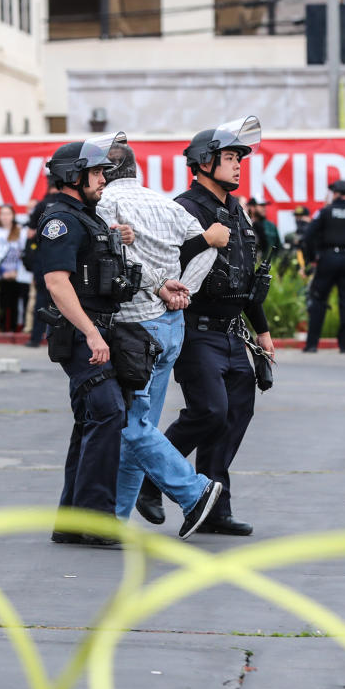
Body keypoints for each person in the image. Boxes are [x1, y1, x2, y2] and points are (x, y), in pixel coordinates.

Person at [95, 140, 227, 539]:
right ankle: (115, 520)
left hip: (136, 327)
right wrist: (185, 288)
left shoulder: (106, 206)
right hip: (173, 326)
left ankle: (194, 492)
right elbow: (211, 245)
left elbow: (123, 258)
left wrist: (160, 288)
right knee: (144, 426)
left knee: (131, 425)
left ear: (107, 170)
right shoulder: (169, 205)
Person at [162, 116, 274, 536]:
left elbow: (244, 276)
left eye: (239, 158)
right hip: (194, 328)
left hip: (232, 331)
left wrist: (261, 330)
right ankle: (157, 473)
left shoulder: (235, 210)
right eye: (230, 157)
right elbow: (164, 264)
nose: (238, 165)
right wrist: (202, 240)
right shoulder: (182, 208)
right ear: (204, 162)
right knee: (210, 411)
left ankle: (213, 509)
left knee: (232, 417)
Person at [37, 132, 134, 545]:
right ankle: (97, 521)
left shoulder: (85, 216)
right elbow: (57, 282)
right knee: (109, 413)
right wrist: (92, 333)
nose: (102, 179)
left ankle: (71, 521)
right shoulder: (60, 219)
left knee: (92, 420)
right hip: (81, 334)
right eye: (95, 172)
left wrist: (117, 238)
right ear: (72, 175)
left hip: (96, 329)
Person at [301, 179, 345, 353]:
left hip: (329, 258)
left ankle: (312, 344)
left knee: (319, 300)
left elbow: (308, 236)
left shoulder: (325, 212)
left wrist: (311, 258)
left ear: (335, 193)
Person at [25, 178, 59, 347]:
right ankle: (62, 339)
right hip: (62, 257)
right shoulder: (65, 205)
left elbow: (30, 234)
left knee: (40, 299)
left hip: (42, 258)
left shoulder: (40, 206)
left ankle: (35, 338)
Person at [0, 204, 31, 333]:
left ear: (13, 216)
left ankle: (16, 328)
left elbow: (25, 254)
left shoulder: (20, 233)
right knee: (1, 303)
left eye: (8, 214)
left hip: (18, 274)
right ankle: (2, 328)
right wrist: (1, 273)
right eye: (3, 214)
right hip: (0, 275)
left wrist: (17, 272)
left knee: (16, 305)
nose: (5, 217)